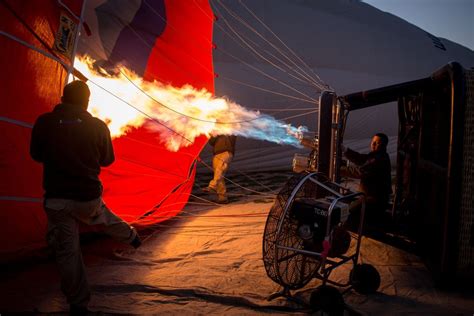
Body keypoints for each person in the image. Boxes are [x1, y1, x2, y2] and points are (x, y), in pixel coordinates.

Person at [30, 80, 141, 315]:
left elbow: (36, 155)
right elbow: (107, 160)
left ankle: (78, 305)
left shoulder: (44, 122)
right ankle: (131, 236)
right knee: (102, 216)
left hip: (57, 200)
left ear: (62, 98)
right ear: (87, 101)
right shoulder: (97, 126)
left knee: (69, 253)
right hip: (87, 197)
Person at [341, 133, 392, 232]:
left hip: (374, 199)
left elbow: (360, 172)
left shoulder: (380, 159)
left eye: (377, 143)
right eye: (373, 142)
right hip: (368, 196)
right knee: (346, 200)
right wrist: (345, 150)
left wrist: (340, 169)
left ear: (383, 146)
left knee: (346, 212)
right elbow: (361, 158)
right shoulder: (375, 156)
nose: (373, 144)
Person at [203, 135, 236, 204]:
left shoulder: (230, 127)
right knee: (219, 175)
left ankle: (212, 186)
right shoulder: (215, 130)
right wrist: (213, 134)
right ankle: (223, 198)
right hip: (216, 153)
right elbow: (212, 142)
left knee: (219, 170)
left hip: (226, 152)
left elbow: (232, 135)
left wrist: (220, 130)